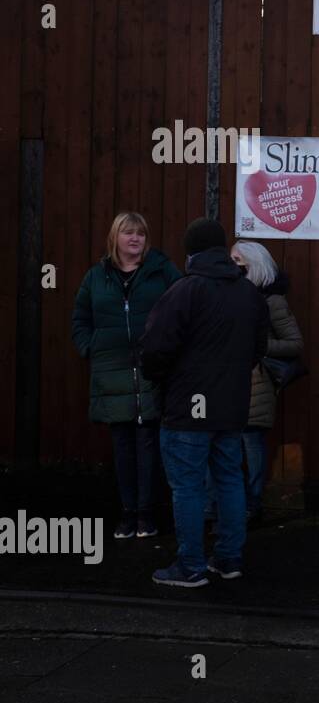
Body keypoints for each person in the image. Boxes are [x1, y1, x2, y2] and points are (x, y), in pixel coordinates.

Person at [141, 218, 269, 588]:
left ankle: (190, 565)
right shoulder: (249, 295)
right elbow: (256, 351)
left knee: (188, 486)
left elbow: (156, 349)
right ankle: (228, 559)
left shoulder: (186, 290)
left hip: (186, 408)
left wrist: (164, 380)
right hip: (231, 405)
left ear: (192, 252)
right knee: (230, 480)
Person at [71, 212, 182, 540]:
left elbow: (183, 309)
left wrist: (169, 350)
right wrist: (90, 347)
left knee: (148, 444)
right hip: (113, 374)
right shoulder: (96, 277)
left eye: (141, 234)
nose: (135, 239)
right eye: (128, 233)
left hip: (152, 373)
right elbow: (80, 318)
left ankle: (146, 515)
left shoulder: (163, 271)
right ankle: (128, 513)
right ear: (115, 238)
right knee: (122, 445)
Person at [217, 240, 303, 526]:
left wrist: (259, 345)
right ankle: (231, 506)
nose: (232, 265)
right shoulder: (227, 295)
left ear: (254, 264)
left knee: (251, 448)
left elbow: (294, 343)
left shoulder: (272, 301)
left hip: (257, 384)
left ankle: (252, 506)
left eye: (238, 259)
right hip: (228, 383)